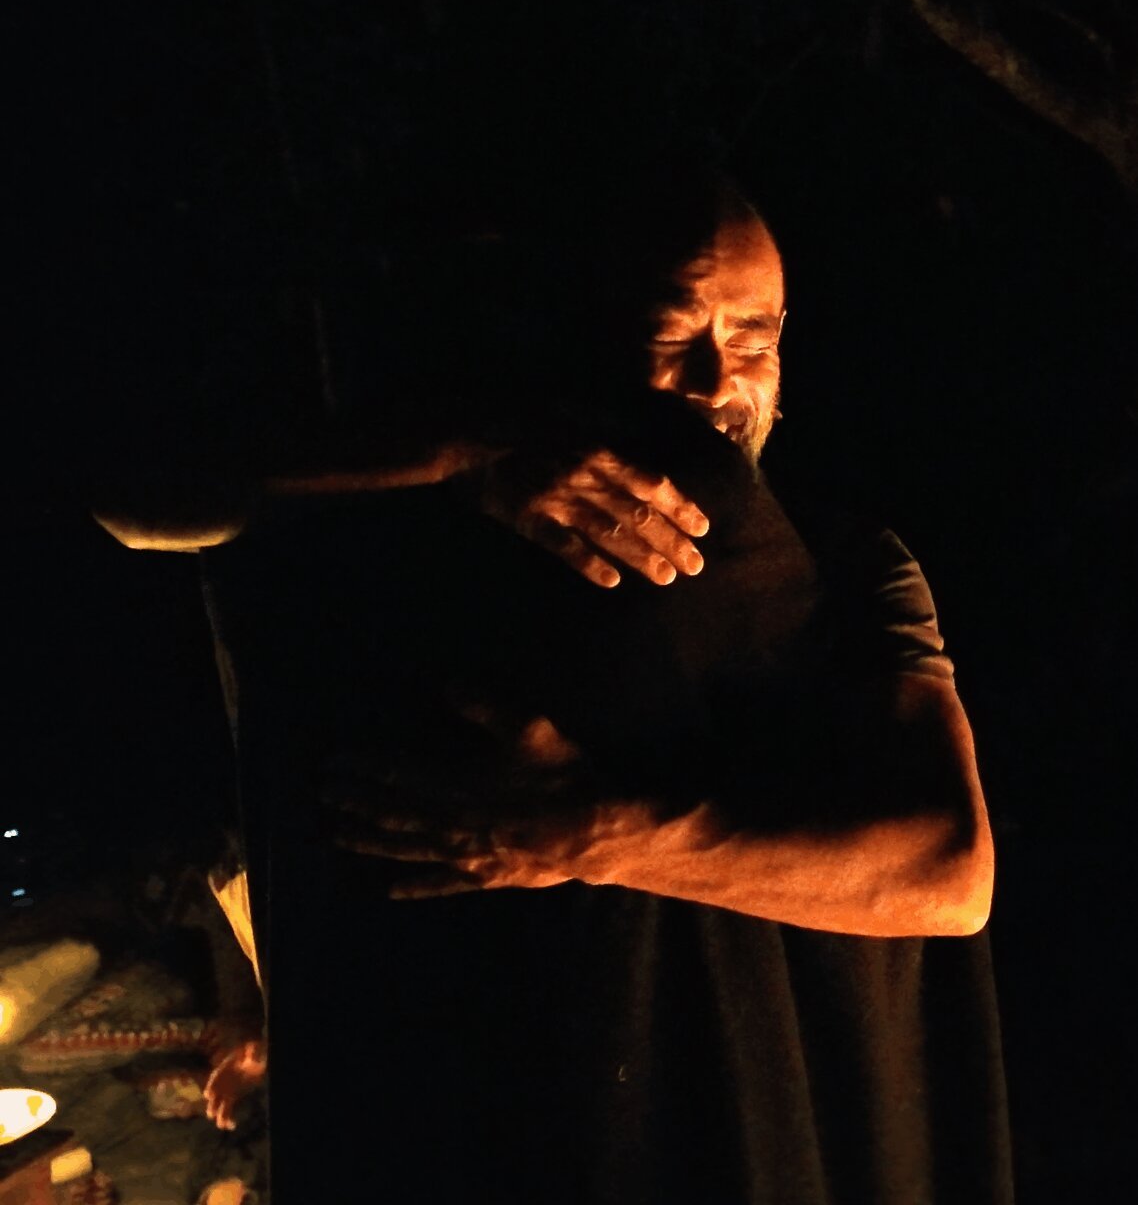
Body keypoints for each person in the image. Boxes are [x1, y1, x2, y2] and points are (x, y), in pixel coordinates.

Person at [100, 175, 1012, 1202]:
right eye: (673, 332)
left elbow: (950, 876)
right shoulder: (435, 534)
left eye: (755, 337)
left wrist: (597, 835)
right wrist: (469, 453)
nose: (717, 379)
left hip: (761, 1103)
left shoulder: (845, 566)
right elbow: (136, 500)